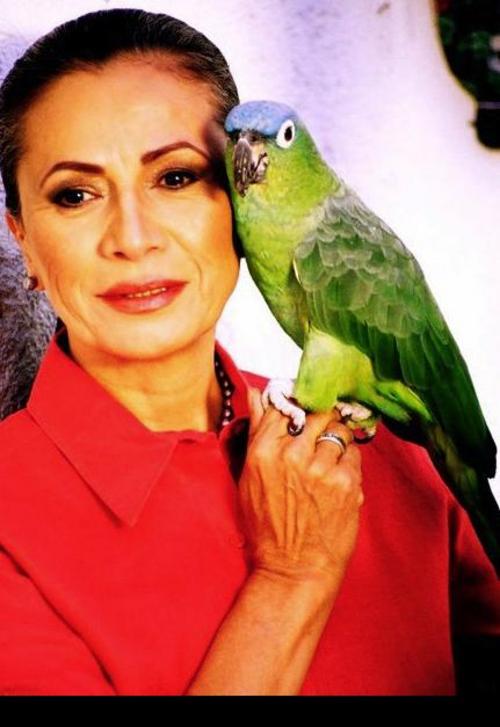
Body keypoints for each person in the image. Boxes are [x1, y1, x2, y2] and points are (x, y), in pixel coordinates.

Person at [0, 8, 498, 697]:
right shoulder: (12, 517)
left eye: (175, 178)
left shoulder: (388, 447)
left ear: (237, 201)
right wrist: (293, 575)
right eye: (76, 194)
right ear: (22, 240)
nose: (133, 238)